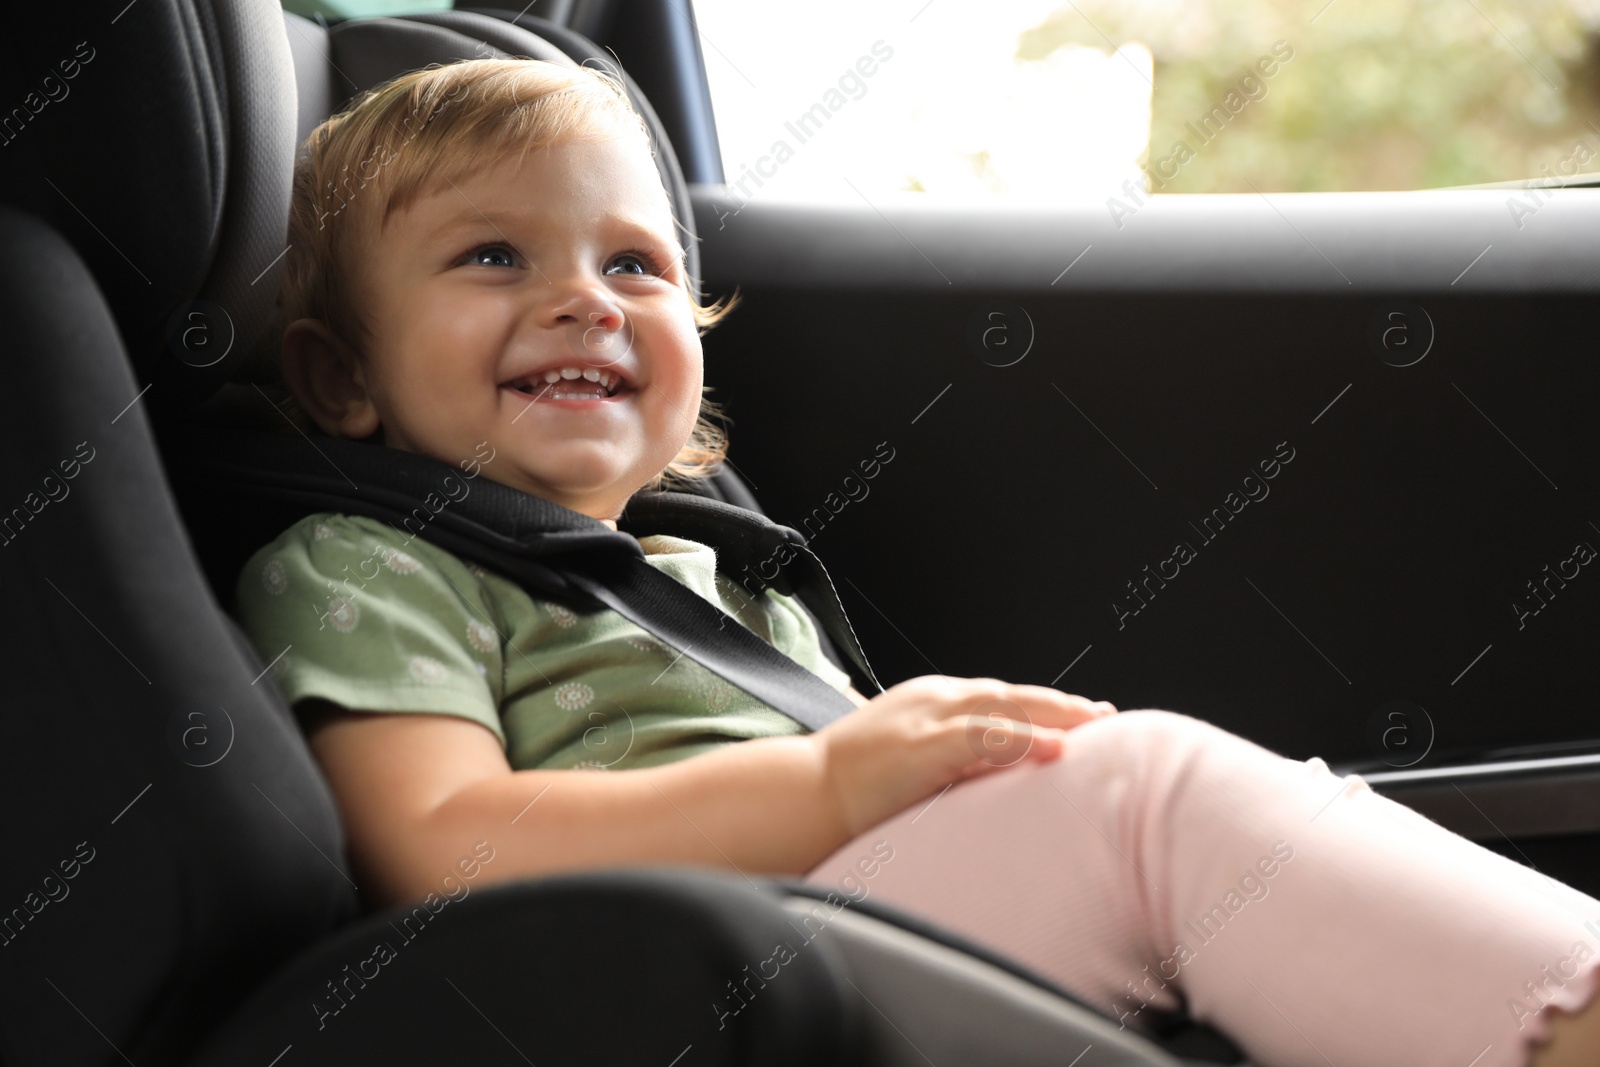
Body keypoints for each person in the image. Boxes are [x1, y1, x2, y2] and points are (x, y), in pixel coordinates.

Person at [234, 57, 1600, 1066]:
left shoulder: (713, 570)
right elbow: (442, 849)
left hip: (832, 926)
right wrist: (833, 778)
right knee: (1140, 797)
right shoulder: (365, 564)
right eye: (491, 254)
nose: (587, 295)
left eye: (638, 266)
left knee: (1126, 798)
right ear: (341, 376)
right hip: (661, 979)